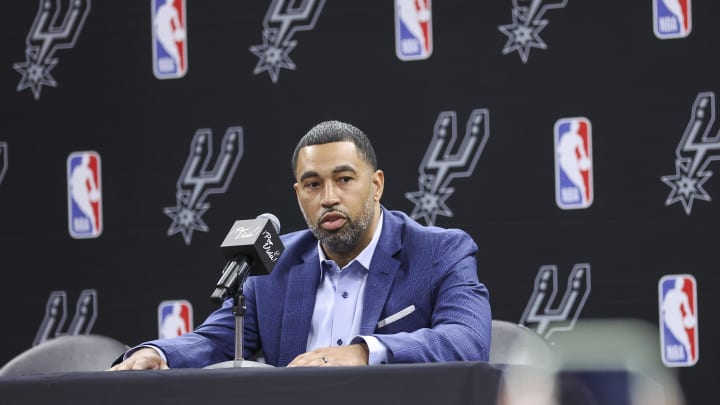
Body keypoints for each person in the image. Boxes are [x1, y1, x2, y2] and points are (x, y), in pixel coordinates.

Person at [110, 120, 491, 370]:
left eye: (344, 180)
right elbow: (216, 339)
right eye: (313, 185)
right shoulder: (273, 262)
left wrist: (362, 352)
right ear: (298, 194)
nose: (328, 197)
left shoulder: (440, 251)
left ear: (375, 185)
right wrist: (157, 354)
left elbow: (467, 340)